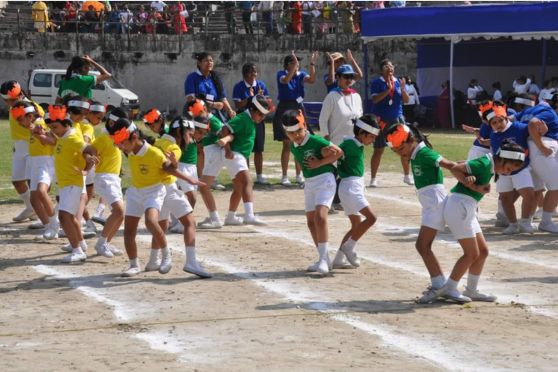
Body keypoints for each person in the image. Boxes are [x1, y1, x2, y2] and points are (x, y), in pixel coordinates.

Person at [438, 139, 528, 302]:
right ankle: (449, 287)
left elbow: (462, 164)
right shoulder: (485, 163)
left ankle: (471, 290)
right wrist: (472, 186)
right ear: (502, 158)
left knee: (483, 252)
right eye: (509, 168)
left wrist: (474, 182)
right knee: (471, 253)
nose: (508, 173)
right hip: (460, 207)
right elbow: (456, 168)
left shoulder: (488, 164)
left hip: (467, 207)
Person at [384, 123, 457, 303]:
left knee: (422, 246)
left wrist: (470, 176)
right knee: (423, 246)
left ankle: (441, 285)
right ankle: (442, 284)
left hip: (435, 205)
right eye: (396, 151)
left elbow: (451, 165)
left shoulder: (424, 153)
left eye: (402, 148)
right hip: (430, 205)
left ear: (412, 140)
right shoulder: (415, 153)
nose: (401, 153)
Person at [282, 109, 343, 274]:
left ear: (305, 126)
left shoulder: (315, 140)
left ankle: (324, 260)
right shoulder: (294, 145)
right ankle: (323, 258)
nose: (296, 135)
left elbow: (339, 152)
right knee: (310, 222)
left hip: (325, 179)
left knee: (321, 217)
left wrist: (320, 162)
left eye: (298, 131)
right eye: (291, 133)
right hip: (310, 183)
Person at [152, 117, 210, 277]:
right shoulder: (174, 148)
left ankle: (152, 259)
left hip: (156, 189)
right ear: (180, 132)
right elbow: (169, 168)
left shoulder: (159, 142)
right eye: (190, 135)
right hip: (168, 188)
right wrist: (189, 178)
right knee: (190, 223)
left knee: (162, 225)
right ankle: (191, 262)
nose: (191, 139)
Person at [45, 105, 98, 263]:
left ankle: (77, 251)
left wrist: (87, 167)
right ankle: (80, 243)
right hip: (66, 183)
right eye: (51, 127)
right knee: (72, 217)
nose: (53, 130)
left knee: (64, 216)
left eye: (55, 127)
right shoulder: (63, 137)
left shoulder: (73, 137)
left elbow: (90, 149)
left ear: (66, 124)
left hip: (72, 183)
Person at [216, 95, 272, 226]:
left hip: (239, 155)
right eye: (260, 114)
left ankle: (230, 217)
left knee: (239, 187)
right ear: (252, 110)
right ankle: (249, 215)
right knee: (248, 182)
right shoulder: (243, 118)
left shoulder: (250, 120)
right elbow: (225, 128)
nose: (262, 118)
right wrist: (227, 150)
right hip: (235, 155)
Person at [332, 115, 378, 269]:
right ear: (362, 133)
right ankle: (349, 247)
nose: (372, 141)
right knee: (371, 218)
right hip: (351, 187)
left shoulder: (353, 143)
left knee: (356, 225)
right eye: (371, 137)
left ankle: (339, 259)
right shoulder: (349, 144)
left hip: (351, 186)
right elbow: (336, 152)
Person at [486, 101, 539, 234]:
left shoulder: (520, 128)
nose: (497, 125)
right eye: (494, 123)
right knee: (505, 197)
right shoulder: (493, 135)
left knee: (528, 195)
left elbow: (534, 130)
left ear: (505, 118)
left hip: (521, 168)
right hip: (502, 172)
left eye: (500, 121)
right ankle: (513, 224)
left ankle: (526, 222)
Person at [10, 101, 58, 239]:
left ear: (30, 116)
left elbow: (51, 141)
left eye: (20, 119)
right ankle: (48, 225)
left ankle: (54, 225)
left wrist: (36, 133)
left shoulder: (40, 124)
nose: (19, 123)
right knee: (34, 198)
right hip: (35, 161)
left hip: (44, 162)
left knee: (42, 193)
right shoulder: (33, 126)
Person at [514, 91, 558, 233]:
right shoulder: (548, 112)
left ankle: (526, 222)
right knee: (556, 186)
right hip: (541, 150)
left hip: (529, 151)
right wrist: (542, 147)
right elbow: (533, 124)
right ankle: (546, 222)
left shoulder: (530, 110)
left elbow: (511, 121)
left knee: (538, 190)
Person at [273, 51, 318, 186]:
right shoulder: (281, 74)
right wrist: (293, 69)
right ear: (287, 65)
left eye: (297, 62)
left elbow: (311, 80)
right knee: (287, 143)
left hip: (298, 107)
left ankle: (299, 175)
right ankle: (284, 176)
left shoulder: (301, 75)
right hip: (285, 107)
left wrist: (312, 64)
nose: (297, 65)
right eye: (294, 62)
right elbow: (286, 80)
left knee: (300, 142)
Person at [1, 80, 43, 222]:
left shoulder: (31, 108)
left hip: (33, 146)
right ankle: (31, 208)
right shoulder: (15, 107)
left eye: (12, 99)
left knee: (34, 183)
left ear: (20, 95)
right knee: (17, 181)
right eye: (6, 100)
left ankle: (41, 213)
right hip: (20, 147)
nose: (9, 103)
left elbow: (41, 128)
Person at [89, 105, 127, 257]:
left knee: (120, 214)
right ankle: (101, 244)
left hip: (114, 178)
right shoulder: (103, 139)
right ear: (112, 124)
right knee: (118, 211)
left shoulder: (114, 138)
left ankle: (106, 243)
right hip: (105, 178)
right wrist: (87, 165)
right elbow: (88, 150)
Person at [368, 59, 413, 187]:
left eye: (392, 66)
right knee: (379, 150)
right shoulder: (377, 82)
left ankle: (406, 176)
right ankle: (373, 178)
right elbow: (375, 100)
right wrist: (388, 90)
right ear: (381, 69)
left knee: (404, 147)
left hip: (397, 119)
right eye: (387, 66)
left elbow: (406, 100)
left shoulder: (398, 82)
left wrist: (403, 89)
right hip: (381, 120)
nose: (390, 68)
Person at [232, 63, 271, 185]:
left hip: (258, 120)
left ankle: (259, 176)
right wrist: (250, 99)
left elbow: (268, 103)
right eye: (251, 72)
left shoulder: (261, 85)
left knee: (259, 148)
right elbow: (237, 105)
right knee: (245, 149)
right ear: (245, 75)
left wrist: (260, 97)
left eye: (255, 72)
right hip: (244, 121)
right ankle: (245, 174)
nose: (254, 75)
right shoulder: (238, 86)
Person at [184, 52, 236, 124]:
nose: (209, 63)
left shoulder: (215, 78)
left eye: (211, 60)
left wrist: (230, 111)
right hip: (198, 113)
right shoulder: (192, 77)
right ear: (199, 63)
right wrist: (212, 104)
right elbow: (191, 100)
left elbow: (223, 99)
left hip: (215, 114)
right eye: (206, 61)